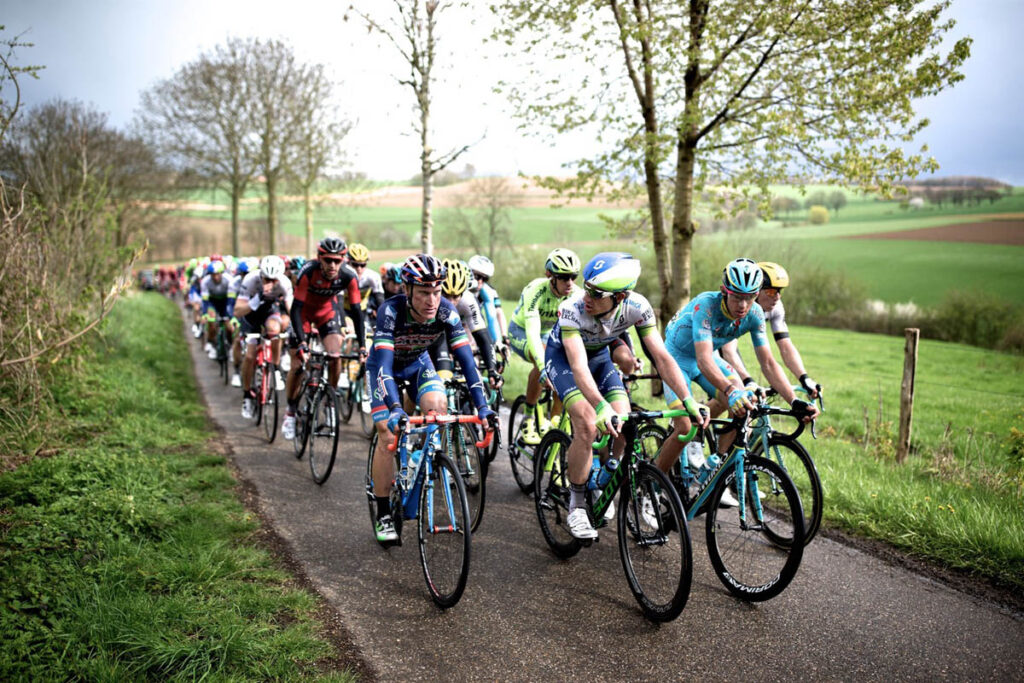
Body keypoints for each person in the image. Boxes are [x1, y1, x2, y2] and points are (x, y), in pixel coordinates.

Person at [544, 252, 707, 540]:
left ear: (620, 297)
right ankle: (577, 504)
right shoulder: (572, 309)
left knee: (624, 421)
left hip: (600, 360)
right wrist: (600, 406)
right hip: (565, 361)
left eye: (597, 293)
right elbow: (579, 367)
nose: (586, 297)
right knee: (586, 420)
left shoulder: (638, 307)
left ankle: (607, 474)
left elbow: (662, 358)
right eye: (587, 287)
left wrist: (688, 400)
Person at [657, 258, 819, 503]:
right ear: (724, 291)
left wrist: (794, 400)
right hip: (676, 359)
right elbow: (703, 361)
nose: (743, 305)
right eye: (736, 297)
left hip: (707, 359)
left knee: (743, 403)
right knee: (684, 427)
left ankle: (717, 466)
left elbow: (768, 363)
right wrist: (730, 389)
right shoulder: (706, 306)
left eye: (750, 297)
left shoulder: (754, 314)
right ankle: (653, 486)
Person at [367, 254, 496, 543]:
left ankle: (418, 457)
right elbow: (385, 367)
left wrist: (483, 407)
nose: (432, 300)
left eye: (437, 292)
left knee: (438, 408)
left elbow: (467, 363)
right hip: (383, 368)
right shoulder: (390, 311)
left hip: (417, 364)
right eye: (424, 292)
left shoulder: (446, 312)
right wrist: (396, 407)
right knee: (388, 431)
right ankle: (384, 511)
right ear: (407, 290)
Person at [282, 238, 366, 441]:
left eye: (337, 261)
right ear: (319, 258)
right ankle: (291, 411)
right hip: (302, 313)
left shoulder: (349, 275)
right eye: (328, 260)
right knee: (297, 364)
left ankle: (330, 401)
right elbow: (296, 308)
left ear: (343, 260)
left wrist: (363, 346)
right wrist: (302, 342)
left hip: (327, 313)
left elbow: (356, 312)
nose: (332, 265)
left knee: (335, 355)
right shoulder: (308, 272)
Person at [718, 261, 822, 400]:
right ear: (756, 291)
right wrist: (748, 381)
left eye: (779, 291)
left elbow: (786, 347)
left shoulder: (776, 307)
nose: (777, 297)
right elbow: (728, 351)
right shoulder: (739, 307)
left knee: (746, 402)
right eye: (771, 291)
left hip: (727, 348)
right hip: (714, 347)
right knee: (734, 399)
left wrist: (804, 378)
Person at [507, 248, 580, 445]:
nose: (570, 282)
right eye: (564, 277)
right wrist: (542, 367)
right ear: (550, 276)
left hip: (547, 333)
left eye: (573, 276)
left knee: (563, 368)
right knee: (545, 361)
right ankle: (528, 417)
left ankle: (553, 422)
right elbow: (532, 331)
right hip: (521, 331)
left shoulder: (576, 294)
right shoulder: (536, 290)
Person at [234, 255, 293, 420]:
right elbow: (238, 311)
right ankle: (247, 395)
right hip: (250, 315)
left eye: (274, 280)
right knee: (250, 356)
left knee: (275, 330)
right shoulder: (250, 280)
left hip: (269, 311)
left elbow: (291, 308)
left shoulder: (284, 283)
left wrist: (297, 327)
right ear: (261, 275)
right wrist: (257, 298)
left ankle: (274, 367)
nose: (270, 283)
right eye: (267, 278)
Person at [441, 259, 502, 389]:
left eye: (456, 296)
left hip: (460, 328)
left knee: (472, 364)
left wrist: (492, 370)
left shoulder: (468, 300)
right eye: (446, 296)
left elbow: (483, 336)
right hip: (436, 334)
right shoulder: (432, 299)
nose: (451, 302)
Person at [467, 255, 509, 350]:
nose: (480, 281)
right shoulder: (462, 288)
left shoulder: (490, 292)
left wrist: (504, 336)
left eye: (485, 279)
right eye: (477, 276)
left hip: (476, 323)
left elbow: (498, 313)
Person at [199, 260, 236, 360]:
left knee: (229, 326)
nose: (215, 277)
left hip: (225, 301)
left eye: (218, 274)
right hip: (212, 302)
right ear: (210, 274)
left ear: (222, 273)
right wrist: (204, 314)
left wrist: (230, 315)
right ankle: (212, 344)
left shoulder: (229, 279)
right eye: (213, 275)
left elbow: (231, 299)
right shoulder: (205, 281)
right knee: (211, 320)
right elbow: (205, 301)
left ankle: (231, 346)